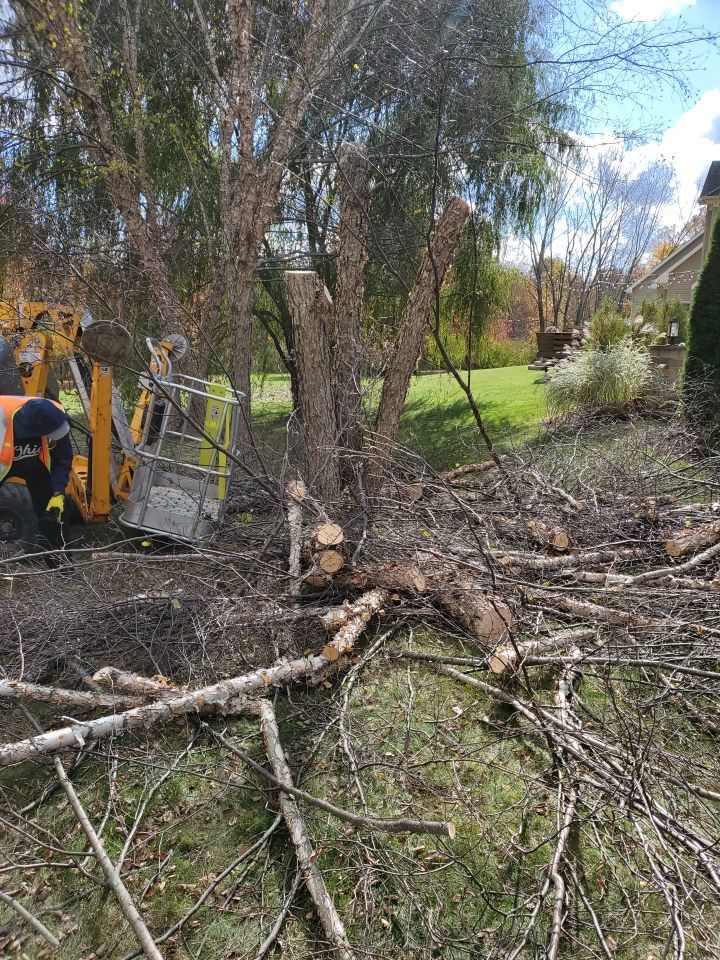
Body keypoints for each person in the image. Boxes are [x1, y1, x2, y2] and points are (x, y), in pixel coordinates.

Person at [0, 395, 73, 567]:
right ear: (30, 431)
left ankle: (61, 564)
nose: (53, 438)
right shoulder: (3, 422)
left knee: (55, 511)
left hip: (36, 465)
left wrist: (58, 492)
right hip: (4, 460)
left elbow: (62, 458)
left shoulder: (54, 413)